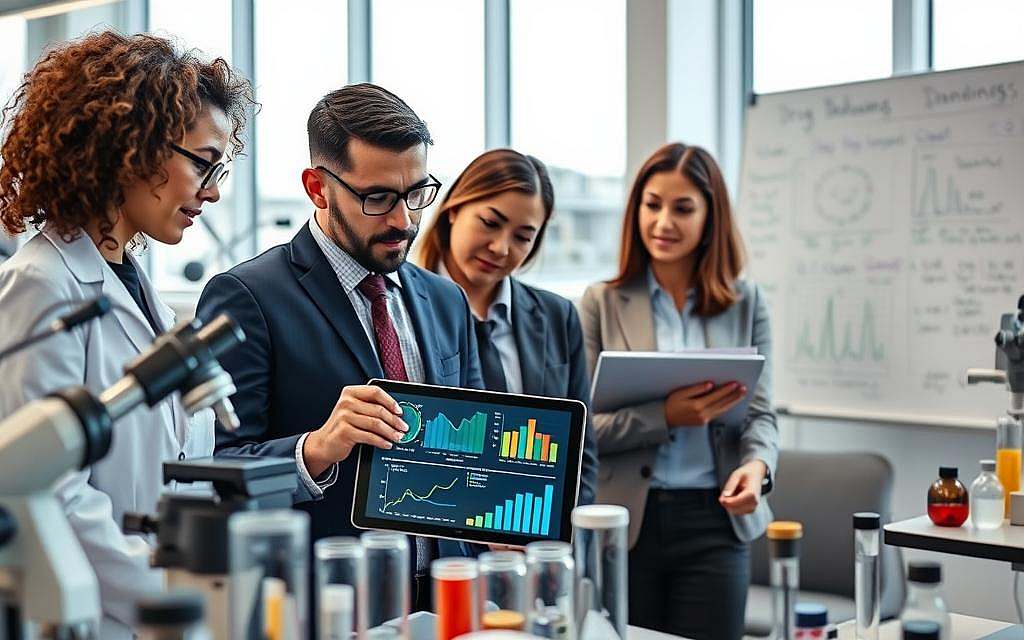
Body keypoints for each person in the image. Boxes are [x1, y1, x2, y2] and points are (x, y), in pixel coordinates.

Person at [0, 30, 253, 638]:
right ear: (129, 147)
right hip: (95, 614)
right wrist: (164, 592)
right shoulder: (42, 284)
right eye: (202, 162)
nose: (214, 190)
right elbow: (47, 490)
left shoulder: (135, 285)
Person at [195, 83, 484, 614]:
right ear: (317, 188)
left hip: (448, 596)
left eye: (417, 193)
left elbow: (476, 442)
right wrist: (315, 449)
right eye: (377, 198)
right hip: (326, 601)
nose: (403, 221)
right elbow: (211, 469)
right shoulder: (247, 297)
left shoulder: (446, 300)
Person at [579, 142, 778, 640]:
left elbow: (760, 415)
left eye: (683, 208)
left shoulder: (745, 302)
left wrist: (758, 468)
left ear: (711, 217)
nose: (664, 222)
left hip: (717, 519)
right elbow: (579, 432)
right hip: (625, 524)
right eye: (652, 205)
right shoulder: (601, 302)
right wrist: (664, 415)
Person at [415, 149, 599, 551]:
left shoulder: (557, 316)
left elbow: (580, 449)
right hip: (446, 555)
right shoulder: (405, 310)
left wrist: (555, 537)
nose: (501, 248)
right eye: (490, 223)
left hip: (537, 550)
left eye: (522, 236)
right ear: (452, 210)